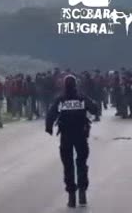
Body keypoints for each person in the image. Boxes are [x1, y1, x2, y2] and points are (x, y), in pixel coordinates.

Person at [46, 75, 98, 208]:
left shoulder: (60, 99)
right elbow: (95, 109)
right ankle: (82, 192)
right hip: (81, 135)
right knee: (81, 164)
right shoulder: (82, 98)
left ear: (64, 85)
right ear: (76, 85)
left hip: (66, 137)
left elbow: (51, 113)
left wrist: (49, 127)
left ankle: (71, 197)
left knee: (68, 166)